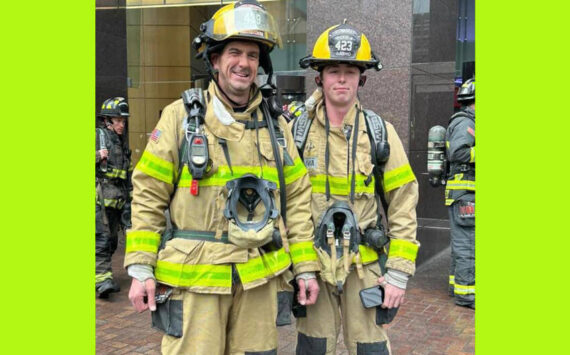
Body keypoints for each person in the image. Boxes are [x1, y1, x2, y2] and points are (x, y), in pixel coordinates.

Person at [123, 1, 320, 354]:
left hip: (258, 283)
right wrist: (140, 267)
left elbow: (299, 200)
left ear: (261, 64)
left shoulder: (277, 128)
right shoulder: (179, 118)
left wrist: (305, 268)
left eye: (252, 55)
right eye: (234, 52)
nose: (243, 63)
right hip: (197, 286)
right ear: (214, 59)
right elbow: (149, 194)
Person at [290, 22, 420, 354]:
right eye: (334, 70)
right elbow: (285, 204)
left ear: (362, 77)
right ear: (319, 77)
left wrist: (398, 274)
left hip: (365, 269)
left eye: (351, 70)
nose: (342, 79)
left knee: (370, 349)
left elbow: (403, 202)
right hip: (313, 268)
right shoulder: (296, 132)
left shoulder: (380, 132)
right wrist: (299, 267)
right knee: (313, 349)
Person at [96, 96, 132, 298]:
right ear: (107, 121)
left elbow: (126, 173)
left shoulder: (121, 143)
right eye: (118, 120)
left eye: (123, 121)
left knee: (111, 241)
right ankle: (103, 282)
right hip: (99, 199)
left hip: (117, 201)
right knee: (101, 239)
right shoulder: (97, 137)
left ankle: (100, 274)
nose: (122, 124)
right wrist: (96, 156)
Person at [445, 78, 475, 309]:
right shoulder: (466, 123)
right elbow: (458, 153)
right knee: (469, 244)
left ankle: (458, 286)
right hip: (466, 193)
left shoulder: (464, 122)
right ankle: (467, 294)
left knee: (462, 242)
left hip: (463, 192)